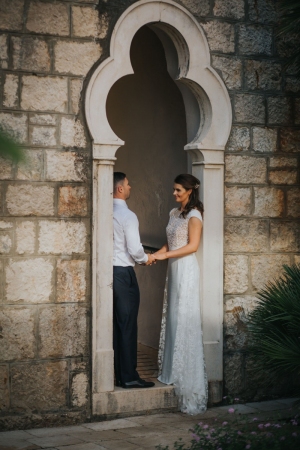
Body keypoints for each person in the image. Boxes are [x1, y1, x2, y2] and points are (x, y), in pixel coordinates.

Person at [153, 173, 208, 414]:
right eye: (174, 189)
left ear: (189, 191)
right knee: (173, 318)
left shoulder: (195, 216)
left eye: (178, 190)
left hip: (185, 269)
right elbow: (170, 242)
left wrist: (165, 256)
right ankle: (170, 370)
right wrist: (156, 255)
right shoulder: (174, 214)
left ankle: (184, 372)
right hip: (174, 269)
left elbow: (192, 246)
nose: (174, 194)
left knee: (183, 318)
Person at [113, 172, 156, 389]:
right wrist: (146, 259)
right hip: (123, 273)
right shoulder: (127, 215)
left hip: (107, 272)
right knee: (127, 325)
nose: (130, 187)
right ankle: (128, 377)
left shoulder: (104, 211)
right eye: (128, 184)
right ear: (120, 188)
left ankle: (117, 374)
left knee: (114, 325)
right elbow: (135, 250)